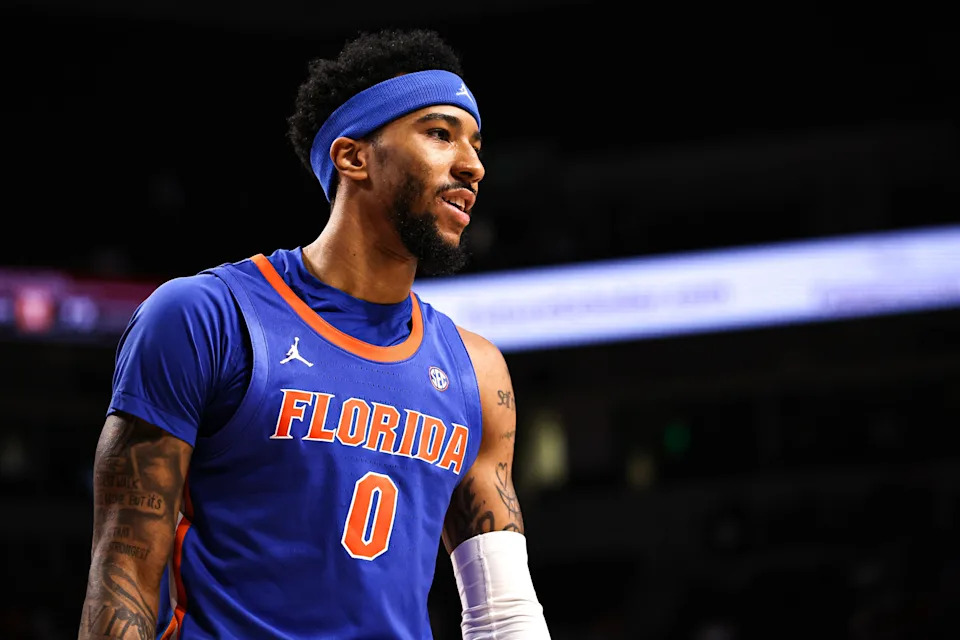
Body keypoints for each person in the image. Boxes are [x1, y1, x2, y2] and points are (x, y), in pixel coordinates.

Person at [77, 27, 551, 640]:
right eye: (440, 134)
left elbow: (504, 615)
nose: (473, 165)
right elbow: (124, 579)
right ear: (354, 156)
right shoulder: (205, 318)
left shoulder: (476, 370)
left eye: (476, 144)